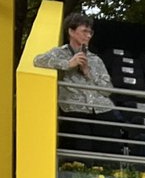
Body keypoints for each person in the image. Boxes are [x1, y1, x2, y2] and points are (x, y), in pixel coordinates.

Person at [33, 12, 123, 158]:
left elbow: (108, 90)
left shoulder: (95, 59)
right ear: (71, 31)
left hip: (101, 109)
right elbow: (38, 60)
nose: (88, 35)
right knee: (80, 152)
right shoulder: (59, 53)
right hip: (75, 109)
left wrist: (88, 72)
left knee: (108, 150)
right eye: (84, 31)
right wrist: (68, 64)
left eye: (90, 32)